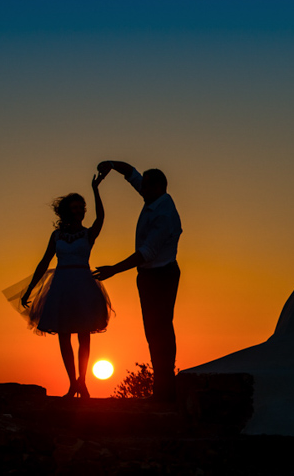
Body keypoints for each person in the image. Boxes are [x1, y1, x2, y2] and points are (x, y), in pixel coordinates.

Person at [15, 172, 113, 398]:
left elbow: (101, 218)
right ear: (67, 210)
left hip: (83, 284)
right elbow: (44, 262)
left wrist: (96, 190)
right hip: (61, 285)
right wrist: (29, 289)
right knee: (64, 335)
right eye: (75, 207)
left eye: (81, 208)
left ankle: (83, 381)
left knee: (84, 334)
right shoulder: (56, 235)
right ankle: (72, 384)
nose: (78, 211)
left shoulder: (89, 234)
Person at [93, 161, 182, 402]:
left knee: (160, 329)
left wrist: (114, 270)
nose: (140, 191)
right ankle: (161, 385)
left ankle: (165, 387)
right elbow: (131, 173)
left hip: (161, 275)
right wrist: (112, 164)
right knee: (153, 331)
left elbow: (146, 252)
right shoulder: (153, 197)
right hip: (148, 275)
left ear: (157, 187)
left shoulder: (164, 215)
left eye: (145, 188)